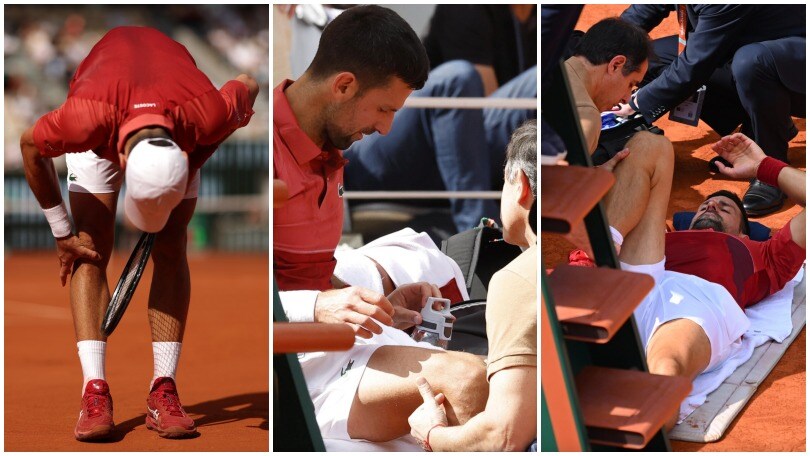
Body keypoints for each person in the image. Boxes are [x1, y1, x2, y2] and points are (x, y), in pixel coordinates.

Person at [19, 26, 259, 441]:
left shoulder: (205, 115)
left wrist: (199, 152)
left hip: (177, 127)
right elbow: (29, 147)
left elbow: (250, 85)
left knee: (172, 244)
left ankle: (162, 389)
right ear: (123, 163)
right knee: (89, 246)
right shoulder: (84, 121)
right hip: (105, 114)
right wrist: (62, 233)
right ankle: (94, 389)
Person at [273, 5, 488, 445]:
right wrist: (317, 308)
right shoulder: (269, 156)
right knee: (468, 380)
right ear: (344, 86)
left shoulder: (329, 145)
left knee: (493, 373)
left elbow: (300, 271)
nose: (388, 128)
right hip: (289, 367)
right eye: (384, 109)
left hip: (326, 344)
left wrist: (376, 302)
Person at [574, 129, 804, 429]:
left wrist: (764, 167)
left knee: (666, 369)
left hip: (698, 301)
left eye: (725, 208)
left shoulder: (765, 255)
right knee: (650, 143)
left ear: (743, 233)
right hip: (635, 275)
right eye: (706, 205)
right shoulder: (662, 235)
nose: (711, 206)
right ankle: (605, 242)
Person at [344, 5, 537, 232]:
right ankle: (482, 233)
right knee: (457, 78)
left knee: (540, 80)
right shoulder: (466, 10)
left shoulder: (538, 17)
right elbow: (483, 111)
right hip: (377, 161)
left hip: (458, 161)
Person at [407, 120, 537, 451]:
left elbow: (502, 438)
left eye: (504, 183)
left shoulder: (517, 279)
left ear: (521, 184)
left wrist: (432, 434)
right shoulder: (596, 243)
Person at [617, 5, 806, 217]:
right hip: (748, 46)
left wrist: (635, 105)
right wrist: (590, 61)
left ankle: (771, 167)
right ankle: (762, 123)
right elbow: (642, 12)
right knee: (651, 58)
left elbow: (696, 64)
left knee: (751, 62)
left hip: (795, 68)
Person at [563, 17, 654, 156]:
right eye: (631, 84)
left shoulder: (548, 66)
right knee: (657, 147)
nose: (627, 99)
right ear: (616, 65)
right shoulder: (587, 116)